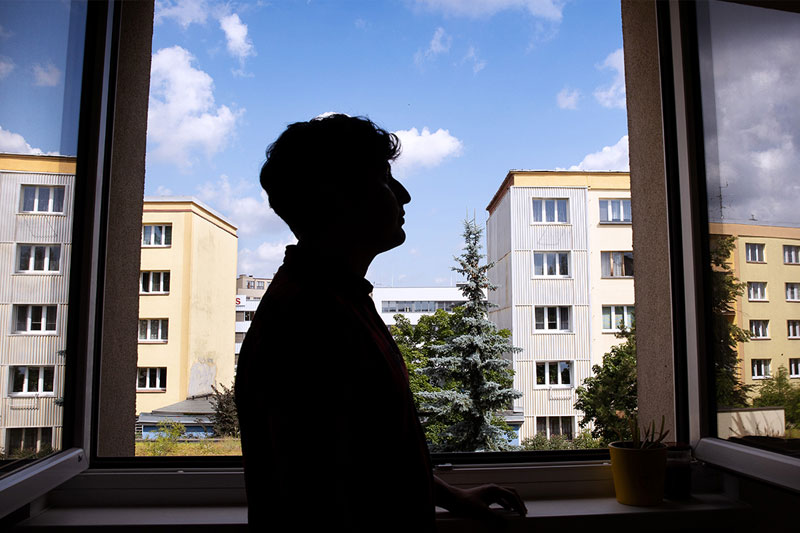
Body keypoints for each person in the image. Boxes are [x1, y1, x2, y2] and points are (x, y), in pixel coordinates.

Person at [235, 114, 526, 530]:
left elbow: (375, 450)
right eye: (385, 178)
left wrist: (448, 495)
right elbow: (324, 492)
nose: (404, 195)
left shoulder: (334, 296)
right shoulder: (312, 321)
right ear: (337, 195)